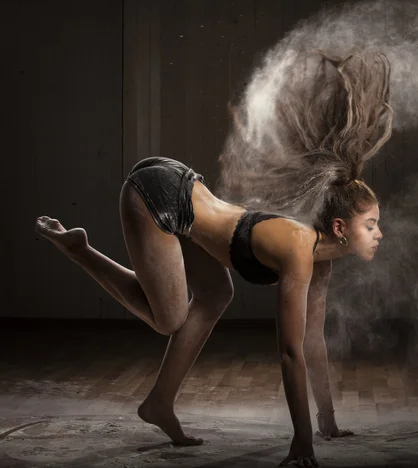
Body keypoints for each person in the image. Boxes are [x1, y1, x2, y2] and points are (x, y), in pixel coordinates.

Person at [35, 50, 392, 468]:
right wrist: (302, 442)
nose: (379, 233)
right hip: (159, 196)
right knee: (168, 318)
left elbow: (312, 344)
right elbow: (288, 353)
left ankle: (159, 404)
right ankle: (80, 251)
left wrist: (326, 422)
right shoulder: (298, 248)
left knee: (215, 294)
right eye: (370, 224)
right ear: (339, 228)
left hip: (185, 192)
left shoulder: (320, 260)